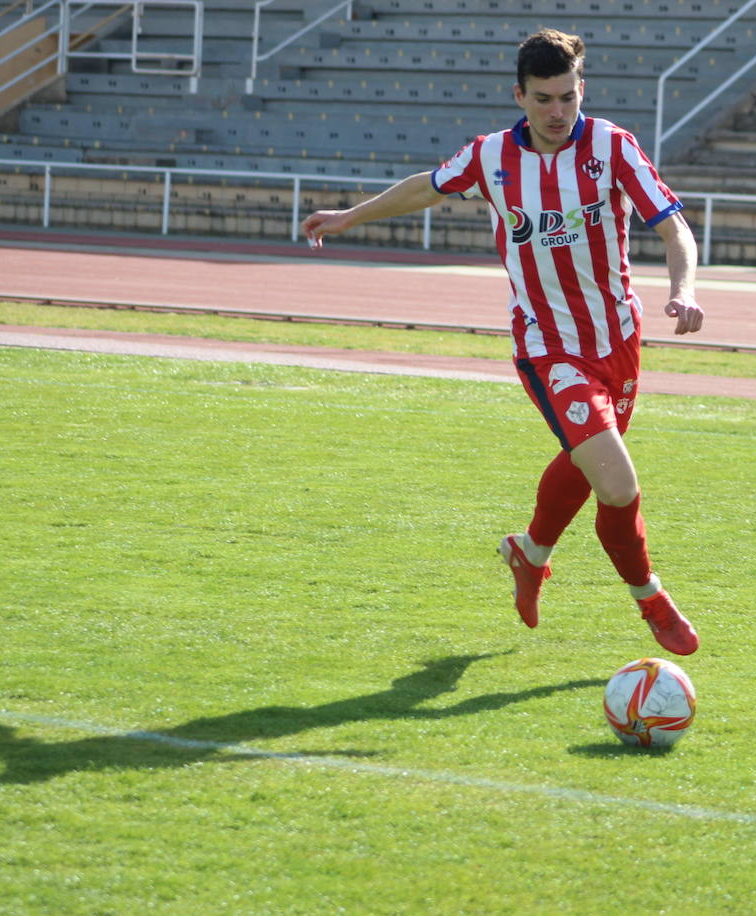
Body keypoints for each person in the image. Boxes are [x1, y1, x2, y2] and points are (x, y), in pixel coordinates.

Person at [300, 28, 704, 655]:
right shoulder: (491, 157)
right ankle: (650, 599)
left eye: (567, 97)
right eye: (543, 99)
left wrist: (686, 289)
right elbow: (425, 187)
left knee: (587, 461)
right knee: (618, 481)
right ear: (519, 95)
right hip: (547, 347)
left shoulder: (612, 147)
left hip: (619, 339)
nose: (557, 112)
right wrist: (350, 215)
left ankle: (530, 552)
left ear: (581, 90)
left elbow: (674, 228)